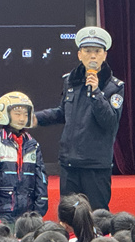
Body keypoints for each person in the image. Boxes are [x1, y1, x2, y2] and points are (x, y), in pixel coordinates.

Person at [34, 26, 124, 210]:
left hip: (96, 164)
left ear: (105, 55)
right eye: (88, 51)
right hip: (69, 162)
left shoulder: (114, 87)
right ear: (79, 54)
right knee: (69, 213)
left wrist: (96, 92)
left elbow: (109, 122)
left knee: (97, 215)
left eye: (97, 51)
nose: (93, 56)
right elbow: (63, 112)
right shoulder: (70, 81)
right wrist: (36, 118)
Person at [0, 91, 49, 223]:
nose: (22, 118)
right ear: (4, 113)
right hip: (2, 214)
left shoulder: (33, 145)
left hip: (28, 215)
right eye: (17, 114)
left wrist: (40, 209)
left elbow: (41, 179)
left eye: (26, 114)